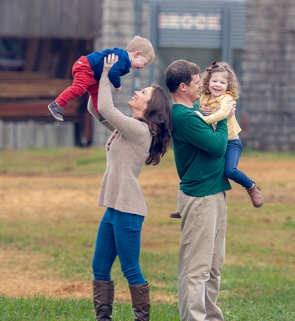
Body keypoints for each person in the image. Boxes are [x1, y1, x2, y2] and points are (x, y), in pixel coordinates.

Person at [89, 54, 172, 321]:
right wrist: (92, 82)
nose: (137, 92)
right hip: (114, 208)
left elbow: (108, 109)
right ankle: (103, 318)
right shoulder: (128, 128)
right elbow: (98, 110)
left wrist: (106, 75)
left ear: (150, 107)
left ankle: (142, 318)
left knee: (130, 269)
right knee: (100, 267)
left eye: (143, 92)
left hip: (128, 210)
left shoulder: (140, 131)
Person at [164, 59, 234, 321]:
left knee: (213, 267)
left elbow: (204, 108)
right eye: (196, 83)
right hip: (202, 197)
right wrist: (225, 118)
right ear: (182, 86)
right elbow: (217, 147)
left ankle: (211, 318)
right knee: (196, 269)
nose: (201, 87)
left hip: (214, 193)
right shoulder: (182, 117)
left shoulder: (193, 110)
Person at [170, 61, 263, 219]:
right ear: (207, 82)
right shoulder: (204, 97)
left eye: (222, 82)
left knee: (229, 170)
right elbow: (193, 107)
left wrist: (204, 118)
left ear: (228, 85)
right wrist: (200, 109)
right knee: (197, 166)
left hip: (231, 142)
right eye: (214, 81)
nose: (218, 85)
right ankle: (189, 204)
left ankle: (252, 187)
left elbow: (222, 115)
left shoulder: (226, 99)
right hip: (215, 138)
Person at [48, 36, 154, 123]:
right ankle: (57, 104)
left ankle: (101, 114)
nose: (142, 67)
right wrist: (118, 86)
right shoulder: (124, 59)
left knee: (97, 93)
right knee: (79, 89)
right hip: (86, 67)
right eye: (143, 63)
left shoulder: (123, 58)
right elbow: (113, 73)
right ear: (137, 54)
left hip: (93, 74)